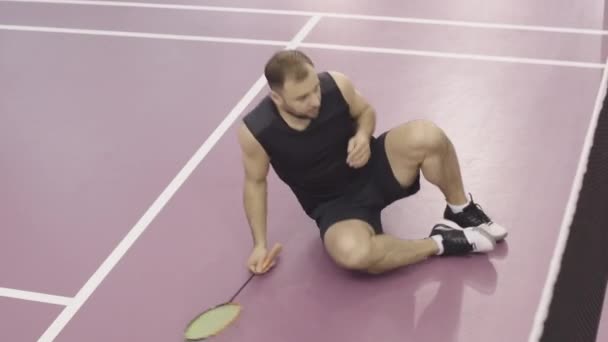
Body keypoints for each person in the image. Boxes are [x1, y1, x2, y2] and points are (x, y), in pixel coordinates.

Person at [237, 49, 507, 275]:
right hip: (333, 206)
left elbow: (365, 111)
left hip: (372, 169)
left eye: (315, 89)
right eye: (303, 98)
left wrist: (363, 136)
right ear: (277, 98)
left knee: (427, 135)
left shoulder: (336, 85)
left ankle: (460, 209)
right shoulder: (258, 131)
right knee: (353, 254)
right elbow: (255, 184)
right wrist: (259, 244)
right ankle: (440, 242)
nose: (315, 100)